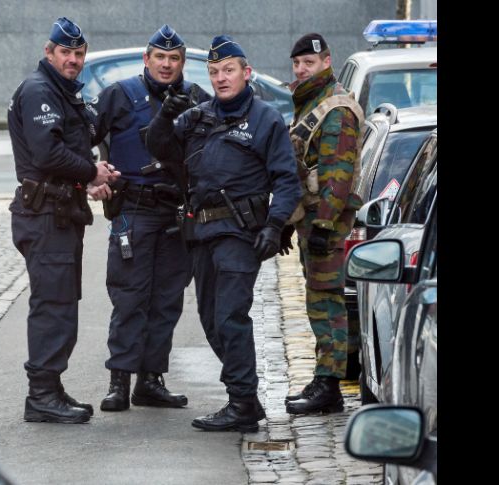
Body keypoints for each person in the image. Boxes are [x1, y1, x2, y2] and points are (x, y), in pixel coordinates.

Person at [146, 35, 301, 432]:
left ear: (246, 73)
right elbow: (159, 148)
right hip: (201, 231)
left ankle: (242, 403)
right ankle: (246, 397)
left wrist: (274, 225)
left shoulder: (265, 119)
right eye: (214, 72)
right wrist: (166, 115)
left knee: (231, 316)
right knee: (212, 319)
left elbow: (286, 180)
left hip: (238, 233)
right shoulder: (199, 115)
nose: (220, 78)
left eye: (228, 70)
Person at [86, 25, 212, 412]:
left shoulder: (196, 99)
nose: (167, 64)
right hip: (134, 210)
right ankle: (119, 382)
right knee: (130, 297)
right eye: (160, 57)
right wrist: (91, 173)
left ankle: (151, 380)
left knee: (167, 299)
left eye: (174, 59)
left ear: (182, 63)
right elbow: (82, 137)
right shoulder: (119, 95)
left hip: (176, 212)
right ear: (147, 59)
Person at [7, 17, 120, 424]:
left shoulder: (60, 91)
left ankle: (50, 389)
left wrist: (87, 175)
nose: (73, 60)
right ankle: (41, 395)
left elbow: (71, 144)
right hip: (45, 216)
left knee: (60, 305)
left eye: (78, 53)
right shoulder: (40, 91)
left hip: (58, 213)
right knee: (53, 307)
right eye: (65, 52)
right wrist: (92, 174)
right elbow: (47, 155)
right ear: (48, 52)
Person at [282, 33, 364, 415]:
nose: (301, 70)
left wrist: (324, 227)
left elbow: (338, 175)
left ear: (327, 62)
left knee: (327, 302)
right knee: (318, 298)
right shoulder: (311, 102)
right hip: (313, 220)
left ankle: (329, 386)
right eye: (297, 64)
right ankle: (323, 377)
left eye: (308, 64)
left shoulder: (336, 108)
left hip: (327, 224)